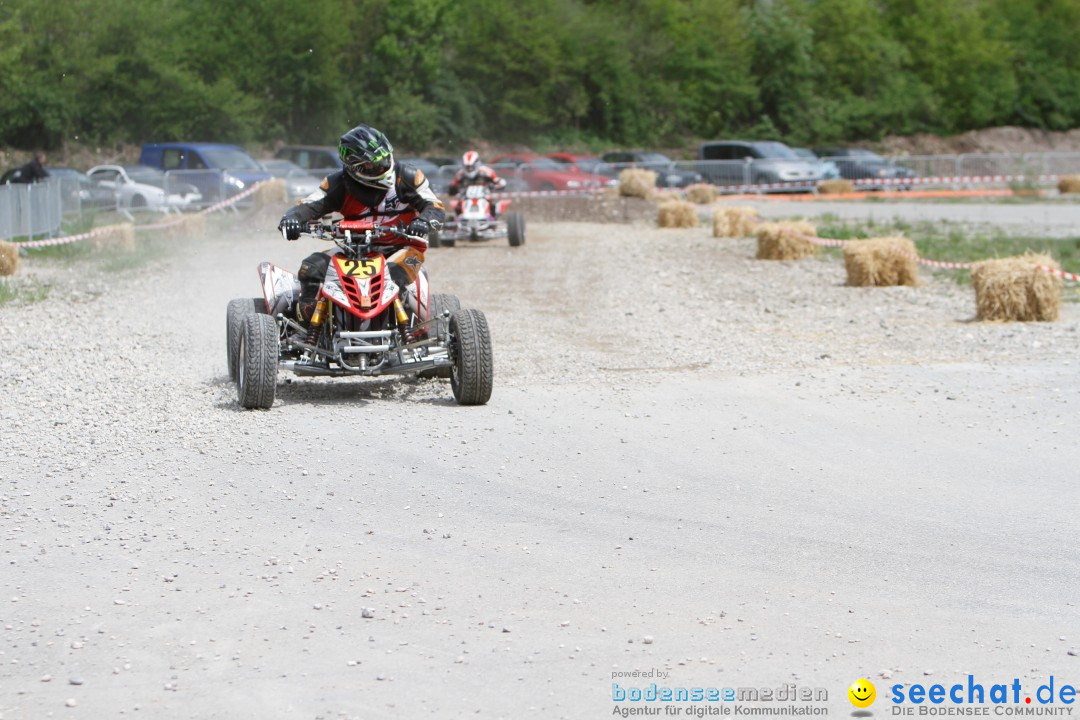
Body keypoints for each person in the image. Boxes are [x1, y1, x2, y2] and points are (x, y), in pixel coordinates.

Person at [277, 124, 445, 327]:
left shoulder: (407, 177)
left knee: (391, 279)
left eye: (384, 159)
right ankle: (306, 328)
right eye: (372, 165)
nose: (382, 166)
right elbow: (309, 205)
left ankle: (400, 329)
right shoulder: (338, 183)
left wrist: (424, 221)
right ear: (355, 168)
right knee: (310, 269)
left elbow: (434, 206)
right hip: (353, 248)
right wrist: (292, 219)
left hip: (401, 248)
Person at [447, 151, 506, 217]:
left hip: (484, 196)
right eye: (467, 167)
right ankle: (459, 219)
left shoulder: (486, 172)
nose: (469, 169)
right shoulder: (460, 175)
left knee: (493, 205)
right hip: (466, 198)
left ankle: (492, 218)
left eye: (471, 167)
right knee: (457, 206)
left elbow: (499, 181)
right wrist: (453, 188)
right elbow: (452, 186)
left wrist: (495, 185)